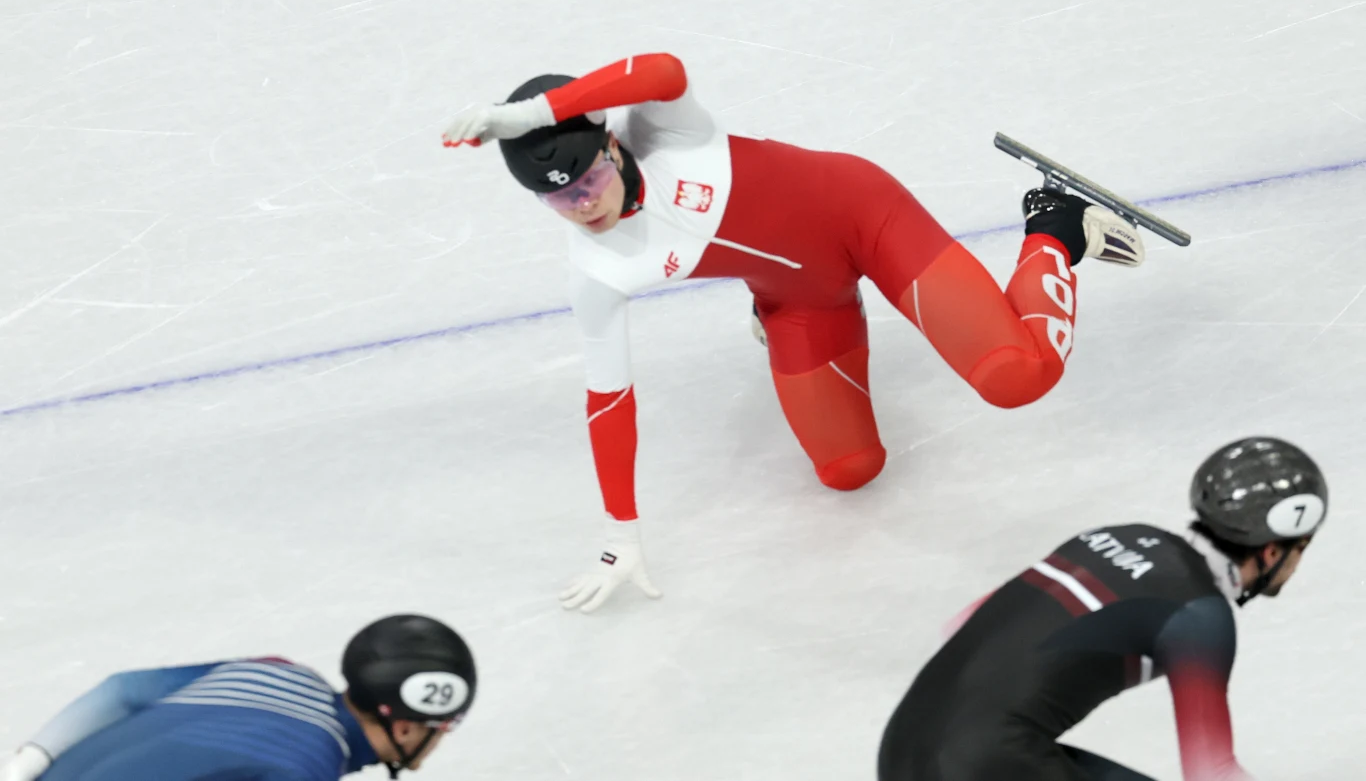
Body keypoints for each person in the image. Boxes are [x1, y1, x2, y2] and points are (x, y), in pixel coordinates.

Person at [441, 53, 1147, 613]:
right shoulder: (596, 268)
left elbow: (662, 69)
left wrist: (528, 115)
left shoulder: (665, 133)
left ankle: (1056, 224)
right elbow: (608, 401)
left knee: (1019, 377)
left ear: (610, 144)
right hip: (803, 299)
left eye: (589, 179)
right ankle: (774, 316)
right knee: (850, 470)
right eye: (558, 198)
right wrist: (618, 534)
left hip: (867, 217)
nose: (583, 205)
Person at [877, 436, 1328, 781]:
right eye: (1301, 549)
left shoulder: (1115, 536)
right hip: (984, 764)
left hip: (900, 746)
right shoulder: (1199, 614)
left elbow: (966, 621)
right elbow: (1210, 772)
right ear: (1272, 551)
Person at [0, 614, 475, 781]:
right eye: (444, 728)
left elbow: (121, 690)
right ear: (406, 727)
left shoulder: (273, 672)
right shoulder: (300, 767)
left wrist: (25, 764)